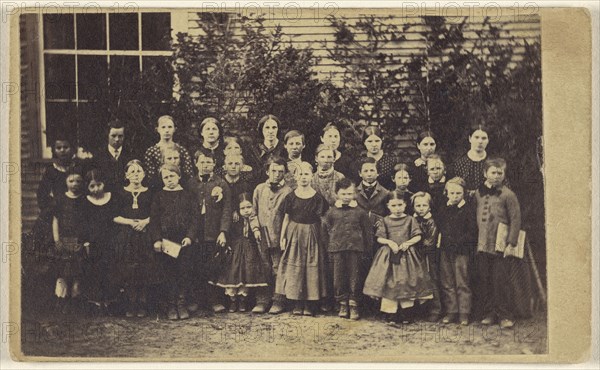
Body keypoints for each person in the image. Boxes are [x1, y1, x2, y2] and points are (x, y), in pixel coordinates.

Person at [363, 191, 432, 324]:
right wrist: (390, 243)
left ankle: (406, 313)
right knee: (389, 282)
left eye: (400, 205)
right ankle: (391, 314)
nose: (397, 208)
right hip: (389, 255)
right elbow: (380, 238)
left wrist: (408, 243)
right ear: (388, 206)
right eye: (394, 206)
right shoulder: (385, 220)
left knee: (406, 281)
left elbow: (418, 235)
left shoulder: (410, 220)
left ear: (405, 205)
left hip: (407, 256)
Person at [276, 161, 329, 316]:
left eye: (306, 174)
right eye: (300, 174)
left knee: (311, 267)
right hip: (294, 234)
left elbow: (323, 220)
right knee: (295, 267)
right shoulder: (290, 197)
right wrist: (282, 237)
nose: (303, 177)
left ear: (311, 176)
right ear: (295, 177)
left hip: (312, 234)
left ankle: (309, 304)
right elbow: (286, 218)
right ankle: (297, 302)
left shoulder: (317, 198)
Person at [474, 158, 522, 329]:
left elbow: (515, 219)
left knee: (500, 280)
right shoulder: (477, 194)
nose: (496, 176)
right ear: (485, 173)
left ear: (504, 174)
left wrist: (511, 242)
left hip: (500, 245)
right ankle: (489, 313)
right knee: (485, 280)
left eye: (499, 173)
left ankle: (505, 315)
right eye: (492, 172)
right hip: (482, 244)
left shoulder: (508, 195)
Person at [149, 164, 201, 320]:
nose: (169, 180)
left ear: (179, 176)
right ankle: (171, 305)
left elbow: (194, 218)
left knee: (184, 272)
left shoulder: (188, 195)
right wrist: (157, 239)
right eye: (165, 177)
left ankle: (181, 303)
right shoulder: (158, 196)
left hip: (184, 241)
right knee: (169, 273)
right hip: (166, 242)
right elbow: (154, 220)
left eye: (172, 176)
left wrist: (190, 236)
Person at [187, 152, 232, 314]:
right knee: (196, 267)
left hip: (213, 233)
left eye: (209, 162)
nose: (205, 165)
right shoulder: (191, 183)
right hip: (195, 233)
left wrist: (223, 231)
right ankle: (197, 301)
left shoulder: (221, 183)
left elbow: (227, 209)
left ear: (214, 164)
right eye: (202, 162)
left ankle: (215, 301)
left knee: (213, 267)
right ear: (196, 164)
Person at [112, 160, 159, 318]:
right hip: (126, 237)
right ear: (126, 175)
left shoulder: (150, 192)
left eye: (138, 171)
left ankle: (142, 304)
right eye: (131, 172)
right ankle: (131, 304)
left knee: (144, 268)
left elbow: (156, 214)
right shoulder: (120, 193)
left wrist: (145, 221)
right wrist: (130, 222)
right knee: (129, 269)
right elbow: (114, 216)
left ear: (144, 174)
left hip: (145, 236)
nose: (135, 175)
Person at [322, 178, 372, 320]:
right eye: (343, 194)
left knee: (354, 277)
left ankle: (353, 304)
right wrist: (329, 248)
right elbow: (325, 231)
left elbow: (367, 233)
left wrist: (367, 250)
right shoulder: (331, 212)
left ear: (354, 194)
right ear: (337, 194)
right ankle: (342, 303)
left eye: (349, 194)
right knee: (338, 278)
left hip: (355, 250)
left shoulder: (360, 212)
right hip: (337, 250)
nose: (346, 197)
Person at [211, 193, 269, 313]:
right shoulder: (235, 220)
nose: (246, 211)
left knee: (247, 273)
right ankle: (233, 301)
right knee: (233, 273)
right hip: (235, 251)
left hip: (250, 251)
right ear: (237, 209)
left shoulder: (255, 220)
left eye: (249, 207)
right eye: (242, 208)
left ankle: (243, 301)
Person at [252, 157, 293, 314]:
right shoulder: (259, 189)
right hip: (261, 236)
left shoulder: (288, 192)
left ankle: (278, 300)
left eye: (280, 172)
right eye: (273, 171)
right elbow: (252, 212)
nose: (276, 174)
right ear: (267, 171)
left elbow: (289, 216)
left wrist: (284, 236)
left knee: (278, 268)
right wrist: (255, 229)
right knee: (263, 268)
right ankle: (262, 300)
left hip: (278, 236)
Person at [437, 177, 477, 325]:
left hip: (462, 251)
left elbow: (472, 232)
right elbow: (440, 228)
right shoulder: (444, 209)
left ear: (464, 193)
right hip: (445, 250)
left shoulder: (468, 210)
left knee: (462, 281)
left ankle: (464, 313)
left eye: (458, 193)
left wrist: (458, 242)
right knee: (447, 281)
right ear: (446, 193)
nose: (454, 196)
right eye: (451, 193)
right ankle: (451, 311)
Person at [79, 169, 120, 314]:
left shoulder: (111, 198)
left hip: (111, 240)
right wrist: (85, 242)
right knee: (95, 270)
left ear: (104, 184)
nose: (96, 189)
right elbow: (83, 223)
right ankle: (96, 303)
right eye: (92, 186)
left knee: (110, 269)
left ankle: (110, 302)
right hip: (94, 242)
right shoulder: (85, 201)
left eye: (99, 185)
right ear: (88, 187)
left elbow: (116, 218)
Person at [35, 134, 78, 252]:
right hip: (57, 211)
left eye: (66, 147)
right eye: (59, 148)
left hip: (76, 208)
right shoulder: (51, 171)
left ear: (72, 149)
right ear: (54, 150)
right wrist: (54, 205)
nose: (62, 150)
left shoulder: (77, 168)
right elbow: (42, 194)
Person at [51, 168, 85, 314]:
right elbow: (55, 220)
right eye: (71, 181)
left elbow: (86, 222)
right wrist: (57, 239)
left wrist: (84, 241)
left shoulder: (84, 199)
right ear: (66, 182)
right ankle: (61, 301)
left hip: (78, 241)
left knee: (77, 271)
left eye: (78, 181)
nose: (74, 184)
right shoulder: (60, 199)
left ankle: (75, 301)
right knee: (62, 271)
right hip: (63, 240)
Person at [411, 192, 442, 322]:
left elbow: (430, 240)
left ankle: (436, 309)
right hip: (414, 255)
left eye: (424, 205)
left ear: (429, 207)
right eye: (418, 205)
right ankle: (418, 310)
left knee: (431, 280)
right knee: (416, 280)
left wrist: (416, 244)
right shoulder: (411, 220)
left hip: (428, 255)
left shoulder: (431, 221)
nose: (421, 208)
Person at [143, 115, 194, 190]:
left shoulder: (181, 150)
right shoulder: (151, 152)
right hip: (158, 189)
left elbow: (188, 174)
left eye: (170, 127)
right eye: (163, 127)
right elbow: (150, 177)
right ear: (157, 129)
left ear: (174, 129)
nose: (167, 130)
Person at [88, 119, 132, 193]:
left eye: (120, 136)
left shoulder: (130, 156)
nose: (117, 139)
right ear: (107, 136)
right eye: (113, 136)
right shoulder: (98, 157)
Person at [450, 126, 490, 195]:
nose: (480, 141)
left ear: (488, 140)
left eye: (484, 138)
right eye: (476, 137)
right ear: (470, 139)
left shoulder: (492, 162)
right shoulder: (459, 162)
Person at [358, 125, 398, 190]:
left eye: (377, 141)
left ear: (382, 141)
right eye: (370, 141)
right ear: (364, 142)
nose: (374, 145)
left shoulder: (391, 160)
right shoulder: (360, 160)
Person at [250, 115, 286, 182]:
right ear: (261, 129)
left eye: (274, 127)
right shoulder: (254, 150)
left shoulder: (285, 148)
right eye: (267, 127)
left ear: (278, 129)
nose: (270, 131)